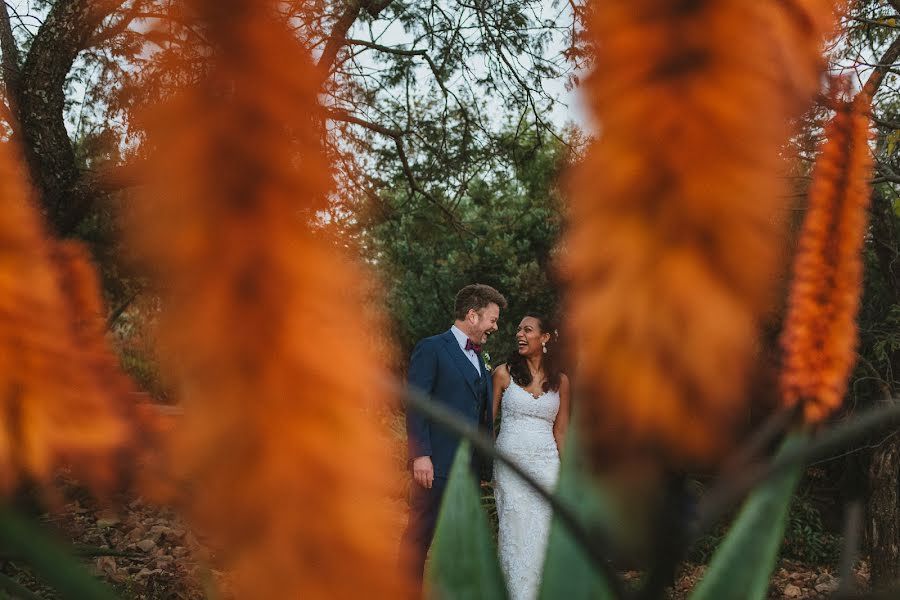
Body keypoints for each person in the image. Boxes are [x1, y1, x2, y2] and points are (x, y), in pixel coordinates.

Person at [399, 283, 508, 586]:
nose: (495, 327)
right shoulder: (432, 348)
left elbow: (480, 414)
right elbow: (417, 403)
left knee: (461, 541)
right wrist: (421, 454)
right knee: (421, 534)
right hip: (436, 464)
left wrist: (483, 464)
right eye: (492, 319)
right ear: (473, 315)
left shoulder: (481, 359)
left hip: (470, 469)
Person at [492, 313, 570, 600]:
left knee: (545, 530)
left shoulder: (561, 381)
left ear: (545, 337)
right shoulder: (502, 373)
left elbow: (562, 432)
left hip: (548, 465)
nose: (520, 335)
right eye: (518, 330)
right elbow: (486, 423)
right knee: (516, 528)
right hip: (510, 464)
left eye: (528, 329)